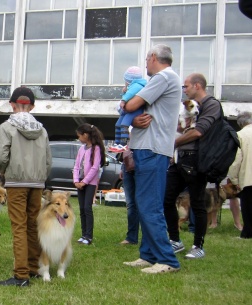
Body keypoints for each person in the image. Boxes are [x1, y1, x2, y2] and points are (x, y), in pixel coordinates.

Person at [121, 44, 181, 273]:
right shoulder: (166, 78)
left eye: (147, 59)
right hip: (149, 148)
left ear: (154, 57)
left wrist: (128, 107)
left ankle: (167, 260)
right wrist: (134, 120)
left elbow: (131, 104)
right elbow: (138, 112)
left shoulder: (162, 77)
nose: (145, 64)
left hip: (152, 150)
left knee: (149, 206)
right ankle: (148, 254)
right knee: (144, 204)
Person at [0, 87, 52, 287]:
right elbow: (48, 160)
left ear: (12, 105)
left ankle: (21, 275)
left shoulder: (6, 127)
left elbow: (1, 157)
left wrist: (2, 171)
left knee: (18, 226)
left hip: (16, 182)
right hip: (37, 183)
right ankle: (33, 268)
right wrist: (41, 178)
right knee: (32, 225)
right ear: (32, 106)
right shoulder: (42, 129)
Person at [162, 73, 221, 260]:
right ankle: (175, 240)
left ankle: (198, 245)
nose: (184, 90)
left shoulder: (211, 104)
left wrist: (174, 143)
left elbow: (198, 132)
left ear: (197, 86)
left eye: (186, 86)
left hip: (197, 160)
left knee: (197, 202)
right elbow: (182, 128)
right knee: (167, 199)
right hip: (179, 159)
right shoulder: (184, 107)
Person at [73, 123, 105, 246]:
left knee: (87, 208)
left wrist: (84, 182)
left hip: (89, 183)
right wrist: (76, 180)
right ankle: (83, 235)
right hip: (79, 182)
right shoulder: (81, 149)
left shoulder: (96, 148)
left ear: (85, 135)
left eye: (79, 136)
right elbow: (76, 166)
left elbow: (95, 167)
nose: (79, 138)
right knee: (81, 208)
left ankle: (89, 236)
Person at [228, 111, 252, 239]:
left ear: (240, 123)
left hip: (248, 178)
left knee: (248, 207)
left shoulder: (240, 135)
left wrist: (234, 179)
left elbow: (236, 160)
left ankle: (247, 233)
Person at [113, 66, 147, 149]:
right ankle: (117, 143)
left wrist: (123, 100)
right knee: (118, 124)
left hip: (135, 110)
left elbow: (130, 94)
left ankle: (123, 144)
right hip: (129, 111)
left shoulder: (137, 86)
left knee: (124, 124)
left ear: (128, 81)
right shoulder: (134, 86)